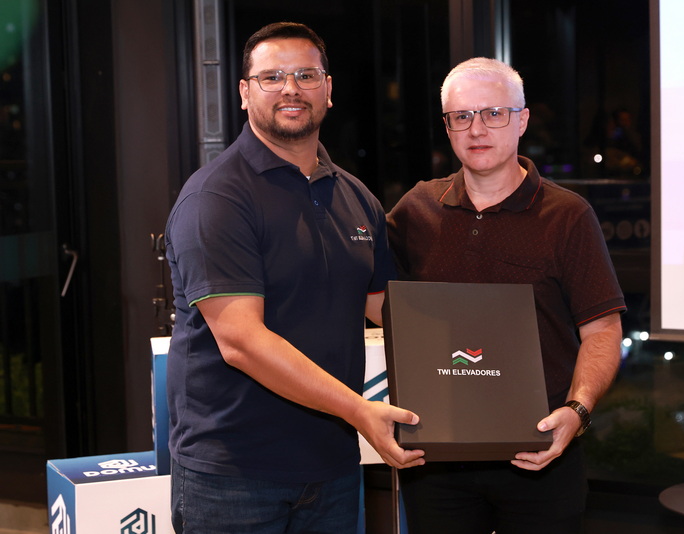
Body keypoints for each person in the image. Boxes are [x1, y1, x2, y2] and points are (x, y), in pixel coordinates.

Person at [164, 22, 424, 534]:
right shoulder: (216, 198)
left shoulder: (356, 197)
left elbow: (385, 308)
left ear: (328, 89)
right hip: (234, 474)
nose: (291, 88)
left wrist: (489, 346)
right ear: (244, 93)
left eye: (306, 75)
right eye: (272, 77)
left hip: (331, 466)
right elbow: (242, 342)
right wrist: (359, 411)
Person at [387, 57, 626, 533]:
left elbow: (602, 330)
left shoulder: (568, 216)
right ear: (448, 128)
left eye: (493, 113)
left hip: (541, 453)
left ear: (522, 120)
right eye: (462, 116)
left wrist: (577, 412)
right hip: (436, 461)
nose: (477, 129)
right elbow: (380, 301)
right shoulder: (417, 209)